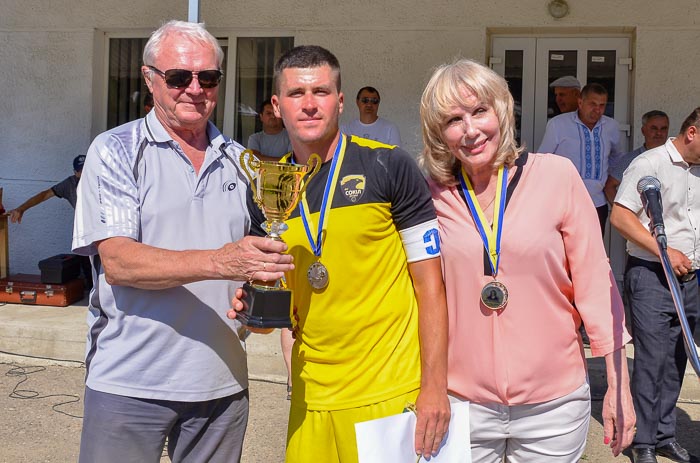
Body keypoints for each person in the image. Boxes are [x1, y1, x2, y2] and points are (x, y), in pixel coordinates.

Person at [71, 20, 293, 463]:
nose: (195, 88)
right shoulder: (115, 150)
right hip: (129, 384)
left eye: (208, 77)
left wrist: (256, 300)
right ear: (149, 79)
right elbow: (119, 263)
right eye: (178, 77)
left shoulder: (242, 160)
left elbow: (255, 250)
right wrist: (223, 262)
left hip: (222, 386)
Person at [229, 45, 450, 462]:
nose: (310, 105)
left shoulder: (389, 167)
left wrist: (435, 387)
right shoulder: (270, 187)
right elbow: (277, 293)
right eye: (296, 94)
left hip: (388, 392)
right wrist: (253, 307)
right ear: (277, 106)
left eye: (322, 92)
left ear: (340, 100)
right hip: (311, 395)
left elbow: (431, 288)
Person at [420, 59, 635, 462]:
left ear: (502, 110)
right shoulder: (429, 195)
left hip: (552, 406)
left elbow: (595, 283)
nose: (470, 130)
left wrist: (618, 385)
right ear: (439, 134)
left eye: (480, 111)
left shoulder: (555, 176)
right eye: (453, 119)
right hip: (463, 403)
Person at [610, 108, 700, 463]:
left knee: (678, 358)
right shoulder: (650, 163)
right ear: (692, 132)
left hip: (692, 276)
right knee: (651, 360)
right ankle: (643, 442)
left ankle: (664, 435)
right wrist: (665, 251)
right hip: (652, 275)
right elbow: (620, 216)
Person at [538, 82, 622, 235]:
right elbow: (543, 160)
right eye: (592, 104)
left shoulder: (611, 127)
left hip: (597, 202)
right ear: (580, 102)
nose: (597, 110)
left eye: (602, 105)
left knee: (592, 253)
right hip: (564, 203)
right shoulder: (558, 124)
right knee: (562, 252)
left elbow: (617, 158)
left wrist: (607, 182)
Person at [6, 155, 92, 290]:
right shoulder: (69, 184)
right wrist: (22, 208)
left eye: (88, 168)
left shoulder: (102, 180)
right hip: (85, 234)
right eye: (81, 170)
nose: (85, 173)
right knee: (87, 268)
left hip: (105, 232)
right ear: (75, 172)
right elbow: (44, 195)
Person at [604, 110, 669, 203]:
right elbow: (609, 186)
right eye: (654, 128)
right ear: (643, 131)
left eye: (663, 128)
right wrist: (621, 214)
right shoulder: (631, 159)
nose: (659, 133)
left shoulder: (675, 158)